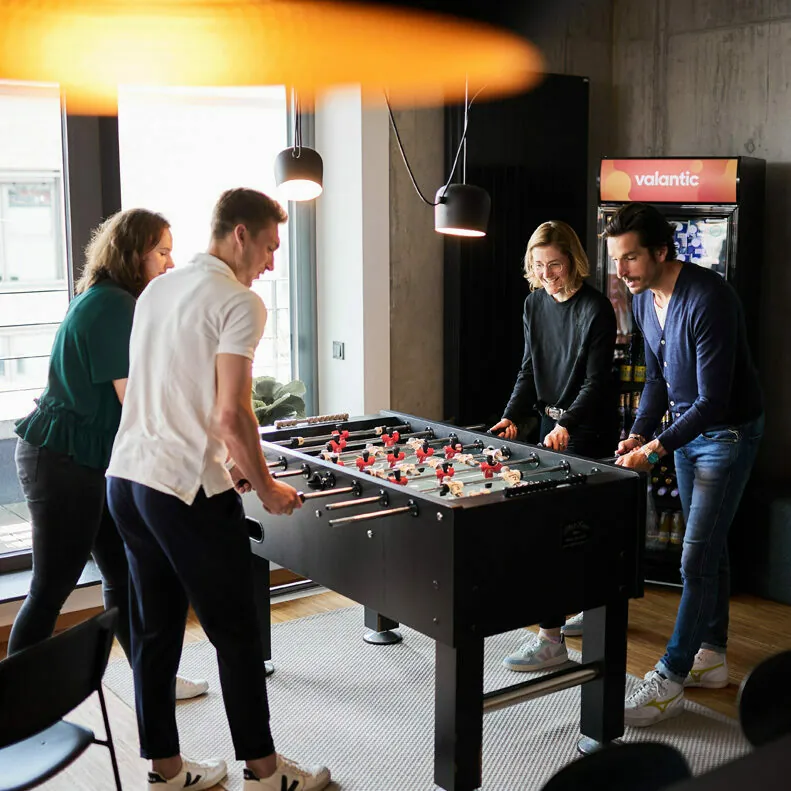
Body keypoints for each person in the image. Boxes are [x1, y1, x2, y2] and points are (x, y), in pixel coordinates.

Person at [106, 188, 330, 791]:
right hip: (182, 492)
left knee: (155, 633)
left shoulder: (159, 288)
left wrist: (227, 462)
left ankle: (167, 771)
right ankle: (264, 773)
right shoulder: (240, 302)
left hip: (127, 480)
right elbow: (234, 413)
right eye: (268, 246)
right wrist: (265, 486)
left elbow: (176, 390)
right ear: (239, 235)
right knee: (235, 633)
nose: (271, 262)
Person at [9, 209, 208, 699]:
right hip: (62, 461)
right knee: (51, 588)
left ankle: (151, 678)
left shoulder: (111, 300)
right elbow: (135, 400)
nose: (170, 261)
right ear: (133, 253)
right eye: (161, 251)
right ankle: (10, 699)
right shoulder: (113, 306)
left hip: (87, 459)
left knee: (121, 571)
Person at [609, 202, 763, 727]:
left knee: (694, 558)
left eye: (630, 258)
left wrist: (654, 449)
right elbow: (655, 380)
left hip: (726, 434)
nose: (621, 270)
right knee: (709, 547)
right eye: (616, 260)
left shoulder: (708, 299)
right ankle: (712, 656)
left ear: (660, 252)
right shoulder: (646, 298)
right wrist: (638, 431)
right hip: (688, 433)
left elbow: (712, 402)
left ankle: (671, 678)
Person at [490, 220, 618, 672]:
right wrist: (511, 414)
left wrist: (566, 421)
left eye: (556, 265)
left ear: (574, 262)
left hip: (588, 428)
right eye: (539, 265)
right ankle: (567, 613)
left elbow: (598, 382)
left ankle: (551, 640)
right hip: (551, 426)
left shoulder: (596, 309)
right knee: (558, 529)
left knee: (562, 532)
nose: (548, 274)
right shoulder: (533, 304)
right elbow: (529, 369)